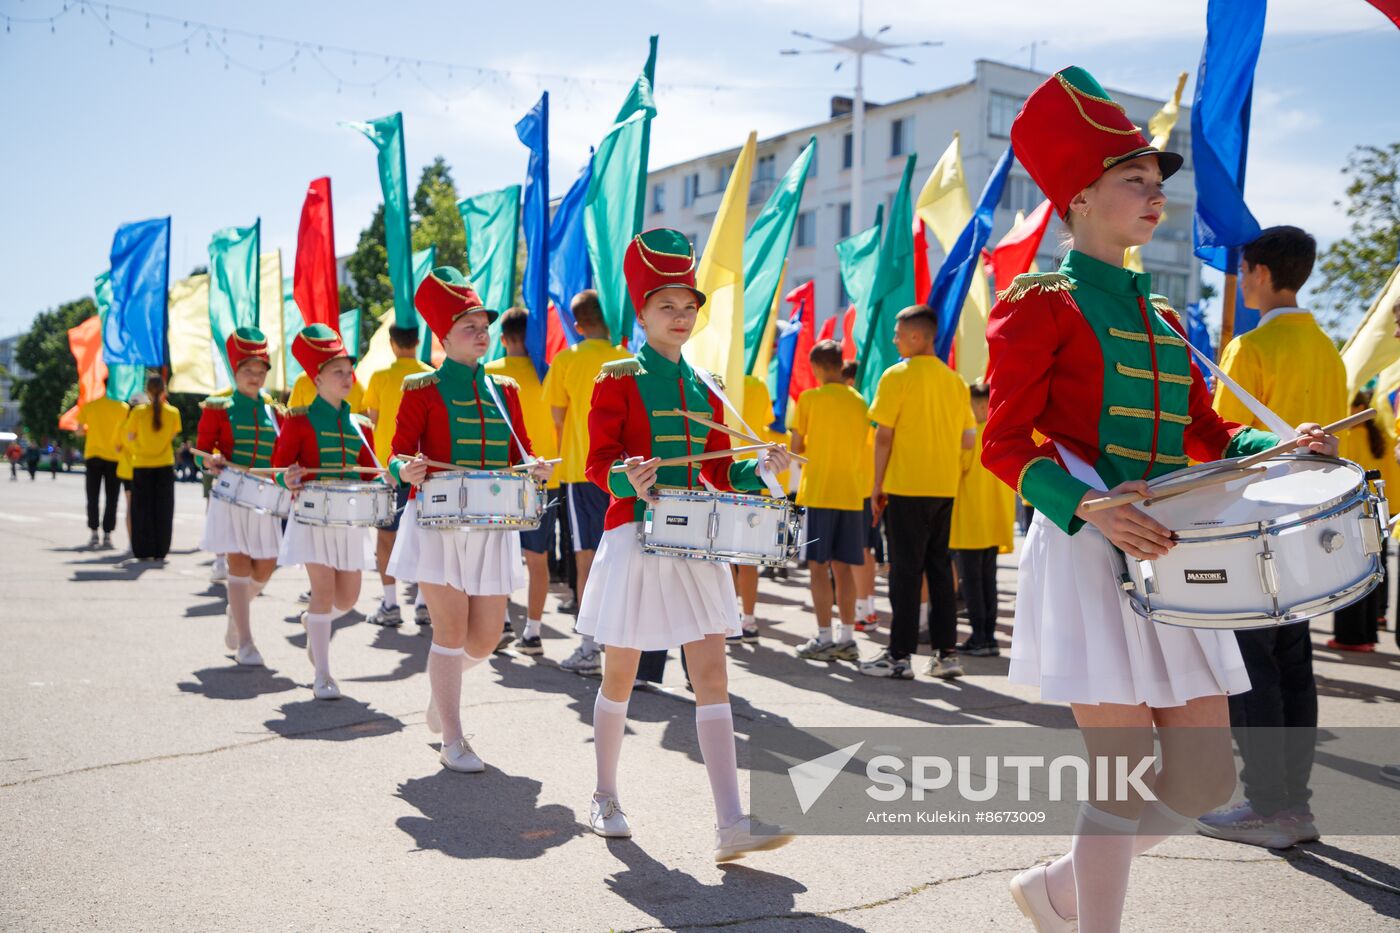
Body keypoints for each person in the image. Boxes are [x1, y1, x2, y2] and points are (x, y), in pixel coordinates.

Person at [981, 66, 1337, 932]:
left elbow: (1206, 435)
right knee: (1123, 764)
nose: (1153, 199)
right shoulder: (1040, 306)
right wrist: (1087, 503)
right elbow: (1001, 442)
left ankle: (1062, 885)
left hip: (1170, 552)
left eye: (1155, 185)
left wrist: (1276, 444)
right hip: (1087, 543)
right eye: (1133, 183)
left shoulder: (1166, 319)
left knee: (1207, 778)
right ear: (1078, 198)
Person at [578, 228, 794, 861]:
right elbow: (598, 462)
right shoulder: (616, 376)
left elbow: (724, 469)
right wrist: (628, 477)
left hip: (697, 538)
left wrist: (766, 467)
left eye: (688, 306)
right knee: (620, 671)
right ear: (641, 313)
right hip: (636, 535)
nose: (680, 316)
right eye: (666, 306)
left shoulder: (707, 383)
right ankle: (604, 794)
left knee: (711, 672)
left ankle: (730, 823)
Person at [1196, 224, 1349, 850]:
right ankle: (1296, 807)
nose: (1238, 282)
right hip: (1310, 529)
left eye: (1241, 272)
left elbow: (1225, 443)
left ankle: (1267, 808)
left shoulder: (1247, 348)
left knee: (1253, 669)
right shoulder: (1328, 350)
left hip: (1253, 527)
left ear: (1258, 273)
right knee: (1293, 665)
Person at [387, 269, 551, 772]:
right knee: (450, 629)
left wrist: (535, 466)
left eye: (484, 325)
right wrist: (405, 468)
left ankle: (443, 692)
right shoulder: (421, 388)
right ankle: (453, 739)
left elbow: (519, 451)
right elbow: (396, 454)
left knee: (484, 639)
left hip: (492, 525)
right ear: (443, 337)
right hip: (437, 524)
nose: (481, 333)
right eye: (469, 326)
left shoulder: (505, 389)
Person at [862, 305, 976, 680]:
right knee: (940, 570)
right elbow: (967, 438)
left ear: (916, 336)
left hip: (905, 486)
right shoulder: (954, 381)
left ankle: (898, 657)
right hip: (943, 488)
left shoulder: (897, 376)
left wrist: (877, 485)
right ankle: (946, 654)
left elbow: (883, 435)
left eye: (898, 334)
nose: (895, 340)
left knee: (905, 574)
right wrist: (952, 472)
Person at [273, 324, 380, 701]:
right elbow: (278, 469)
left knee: (348, 599)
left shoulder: (359, 424)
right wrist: (288, 477)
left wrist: (391, 475)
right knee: (322, 590)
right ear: (316, 379)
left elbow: (372, 469)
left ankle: (312, 624)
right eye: (338, 372)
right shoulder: (298, 420)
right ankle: (323, 673)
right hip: (313, 517)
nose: (347, 377)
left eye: (349, 371)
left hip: (349, 520)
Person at [541, 289, 631, 675]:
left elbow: (559, 420)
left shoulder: (566, 360)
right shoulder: (628, 361)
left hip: (583, 471)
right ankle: (622, 645)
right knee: (625, 557)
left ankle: (590, 647)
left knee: (586, 557)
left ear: (577, 326)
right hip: (626, 474)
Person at [195, 328, 283, 667]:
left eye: (261, 372)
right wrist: (212, 460)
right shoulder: (218, 406)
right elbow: (203, 451)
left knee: (267, 564)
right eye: (249, 371)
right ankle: (246, 641)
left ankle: (238, 608)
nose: (255, 377)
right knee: (240, 564)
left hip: (266, 496)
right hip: (232, 493)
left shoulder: (274, 409)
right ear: (236, 371)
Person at [486, 306, 562, 655]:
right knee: (538, 559)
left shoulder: (488, 374)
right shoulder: (547, 373)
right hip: (542, 475)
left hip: (499, 478)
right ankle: (532, 632)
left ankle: (500, 621)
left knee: (497, 555)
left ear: (503, 339)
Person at [791, 340, 870, 663]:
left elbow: (796, 447)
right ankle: (847, 637)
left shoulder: (810, 398)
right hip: (851, 493)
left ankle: (824, 637)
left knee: (817, 567)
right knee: (844, 568)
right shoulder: (860, 401)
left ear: (819, 368)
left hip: (819, 491)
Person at [361, 324, 433, 630]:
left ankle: (390, 602)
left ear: (392, 343)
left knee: (386, 538)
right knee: (424, 539)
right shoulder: (431, 375)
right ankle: (423, 602)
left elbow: (373, 422)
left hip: (387, 470)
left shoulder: (378, 377)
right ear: (418, 341)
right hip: (420, 470)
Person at [949, 383, 1016, 657]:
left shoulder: (970, 437)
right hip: (995, 521)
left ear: (977, 406)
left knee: (973, 581)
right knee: (989, 579)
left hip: (970, 521)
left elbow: (955, 471)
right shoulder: (999, 436)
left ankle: (979, 636)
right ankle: (988, 636)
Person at [1331, 389, 1397, 651]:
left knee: (1354, 572)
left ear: (1359, 408)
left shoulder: (1351, 436)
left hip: (1359, 511)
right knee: (1378, 566)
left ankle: (1353, 637)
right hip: (1385, 507)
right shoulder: (1383, 435)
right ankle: (1371, 628)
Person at [730, 373, 793, 644]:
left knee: (728, 557)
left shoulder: (720, 378)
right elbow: (769, 420)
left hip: (735, 472)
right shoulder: (755, 384)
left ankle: (735, 619)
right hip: (745, 473)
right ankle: (747, 619)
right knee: (745, 557)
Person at [122, 374, 182, 562]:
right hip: (164, 464)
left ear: (147, 391)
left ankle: (142, 549)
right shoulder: (173, 413)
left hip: (141, 464)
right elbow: (172, 436)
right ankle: (160, 549)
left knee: (141, 510)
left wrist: (140, 447)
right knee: (163, 509)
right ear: (164, 391)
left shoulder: (138, 412)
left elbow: (130, 437)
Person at [840, 360, 881, 631]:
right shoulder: (863, 406)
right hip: (861, 486)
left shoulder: (861, 407)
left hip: (862, 487)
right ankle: (866, 607)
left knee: (862, 551)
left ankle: (865, 608)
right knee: (865, 550)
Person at [76, 382, 129, 549]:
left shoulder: (90, 405)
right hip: (114, 456)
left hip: (93, 455)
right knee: (111, 498)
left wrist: (90, 430)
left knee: (92, 496)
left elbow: (78, 431)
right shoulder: (124, 407)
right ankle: (107, 535)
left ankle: (93, 533)